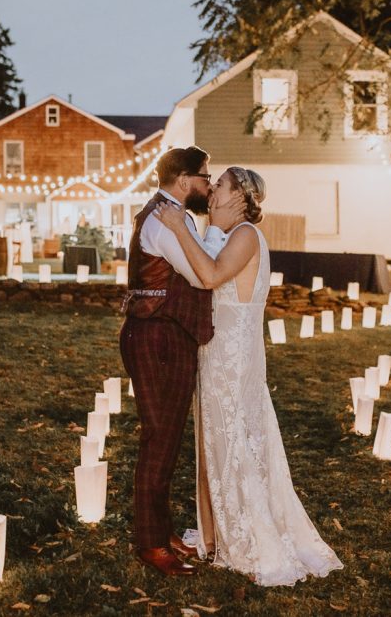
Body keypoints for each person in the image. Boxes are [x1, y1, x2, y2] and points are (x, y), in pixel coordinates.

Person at [154, 167, 344, 587]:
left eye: (220, 183)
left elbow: (209, 276)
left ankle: (246, 534)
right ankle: (215, 533)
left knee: (232, 439)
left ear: (239, 194)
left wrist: (177, 228)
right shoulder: (226, 231)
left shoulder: (244, 236)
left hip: (233, 358)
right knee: (213, 439)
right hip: (217, 352)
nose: (213, 188)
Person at [119, 146, 244, 576]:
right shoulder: (167, 218)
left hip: (161, 333)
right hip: (159, 337)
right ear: (185, 180)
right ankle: (151, 544)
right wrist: (216, 231)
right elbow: (199, 275)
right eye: (205, 178)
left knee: (166, 439)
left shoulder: (167, 214)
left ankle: (160, 529)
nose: (209, 186)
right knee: (160, 439)